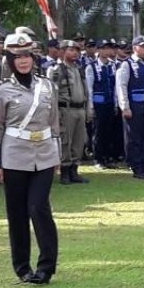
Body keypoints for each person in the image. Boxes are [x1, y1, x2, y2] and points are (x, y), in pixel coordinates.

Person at [0, 32, 60, 284]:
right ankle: (22, 267)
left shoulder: (47, 86)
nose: (23, 60)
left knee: (39, 207)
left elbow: (55, 124)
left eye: (27, 55)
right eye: (17, 56)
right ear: (9, 59)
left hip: (44, 154)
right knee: (17, 213)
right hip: (14, 155)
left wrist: (57, 156)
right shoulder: (2, 91)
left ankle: (46, 267)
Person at [116, 36, 144, 180]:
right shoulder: (127, 64)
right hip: (135, 106)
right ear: (135, 48)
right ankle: (136, 167)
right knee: (134, 138)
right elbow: (121, 86)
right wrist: (125, 106)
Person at [48, 39, 90, 184]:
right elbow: (52, 94)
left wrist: (88, 109)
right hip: (65, 109)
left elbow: (86, 91)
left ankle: (74, 170)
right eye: (71, 50)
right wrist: (54, 115)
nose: (75, 53)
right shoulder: (57, 70)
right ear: (62, 52)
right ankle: (65, 171)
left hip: (80, 109)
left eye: (76, 50)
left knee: (79, 141)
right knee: (66, 140)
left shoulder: (79, 69)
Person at [86, 40, 118, 168]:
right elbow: (89, 88)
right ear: (98, 50)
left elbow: (115, 86)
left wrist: (116, 104)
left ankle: (108, 157)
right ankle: (98, 158)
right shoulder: (92, 67)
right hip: (98, 104)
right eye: (103, 48)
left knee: (109, 131)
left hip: (110, 102)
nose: (107, 51)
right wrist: (90, 107)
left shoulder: (113, 65)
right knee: (98, 132)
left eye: (109, 48)